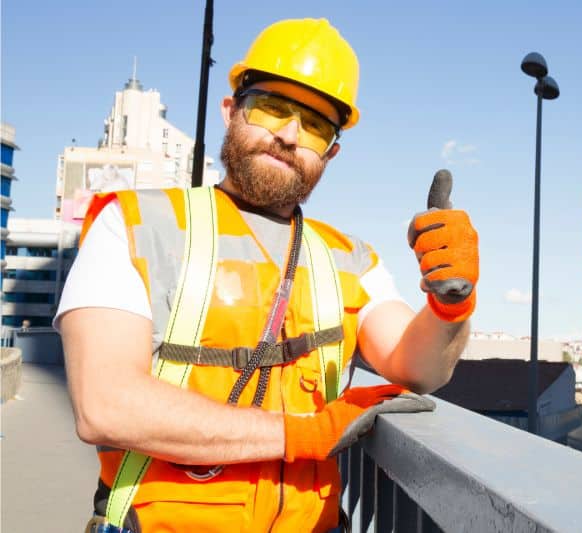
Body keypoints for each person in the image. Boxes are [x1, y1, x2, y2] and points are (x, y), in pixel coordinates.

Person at [57, 17, 479, 533]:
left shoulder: (348, 258)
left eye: (315, 125)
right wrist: (306, 433)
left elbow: (419, 369)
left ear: (331, 152)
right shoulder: (134, 224)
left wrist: (450, 303)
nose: (288, 134)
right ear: (231, 110)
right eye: (272, 107)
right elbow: (105, 405)